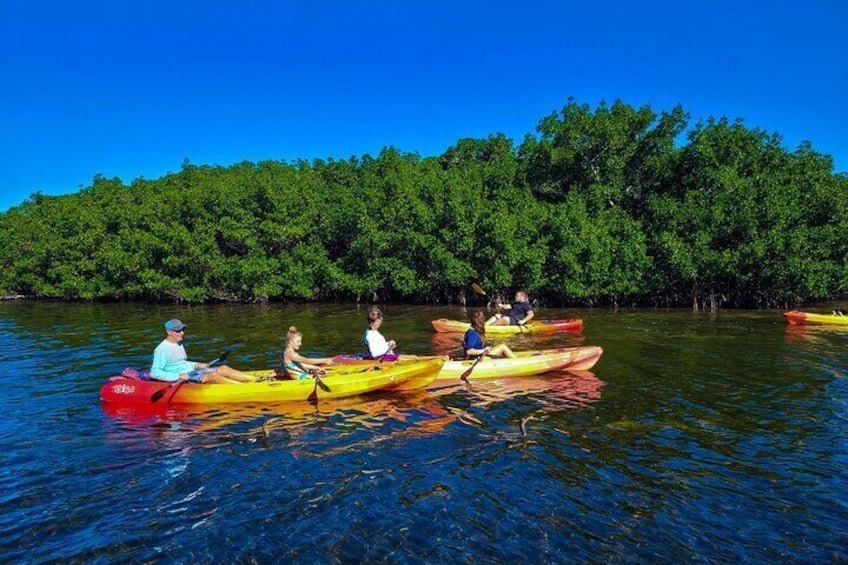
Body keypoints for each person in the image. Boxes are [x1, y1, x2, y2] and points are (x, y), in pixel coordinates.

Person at [150, 319, 258, 384]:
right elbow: (155, 373)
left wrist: (196, 364)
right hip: (183, 377)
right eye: (178, 331)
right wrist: (177, 376)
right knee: (213, 376)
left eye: (183, 330)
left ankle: (258, 380)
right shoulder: (161, 349)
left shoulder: (179, 343)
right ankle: (244, 388)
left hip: (192, 371)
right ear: (169, 332)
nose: (182, 333)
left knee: (223, 368)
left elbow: (181, 363)